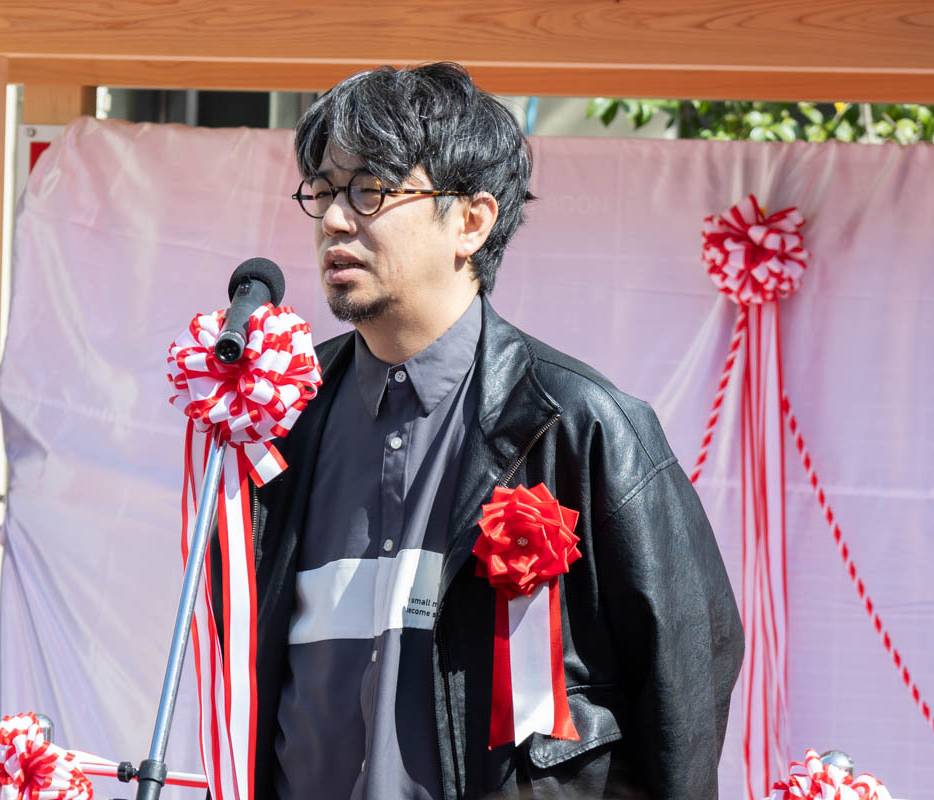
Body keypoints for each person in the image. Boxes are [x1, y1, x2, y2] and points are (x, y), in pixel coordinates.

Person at [245, 62, 745, 800]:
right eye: (322, 191)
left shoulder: (581, 427)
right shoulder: (282, 420)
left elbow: (684, 685)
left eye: (371, 190)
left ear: (472, 222)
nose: (336, 221)